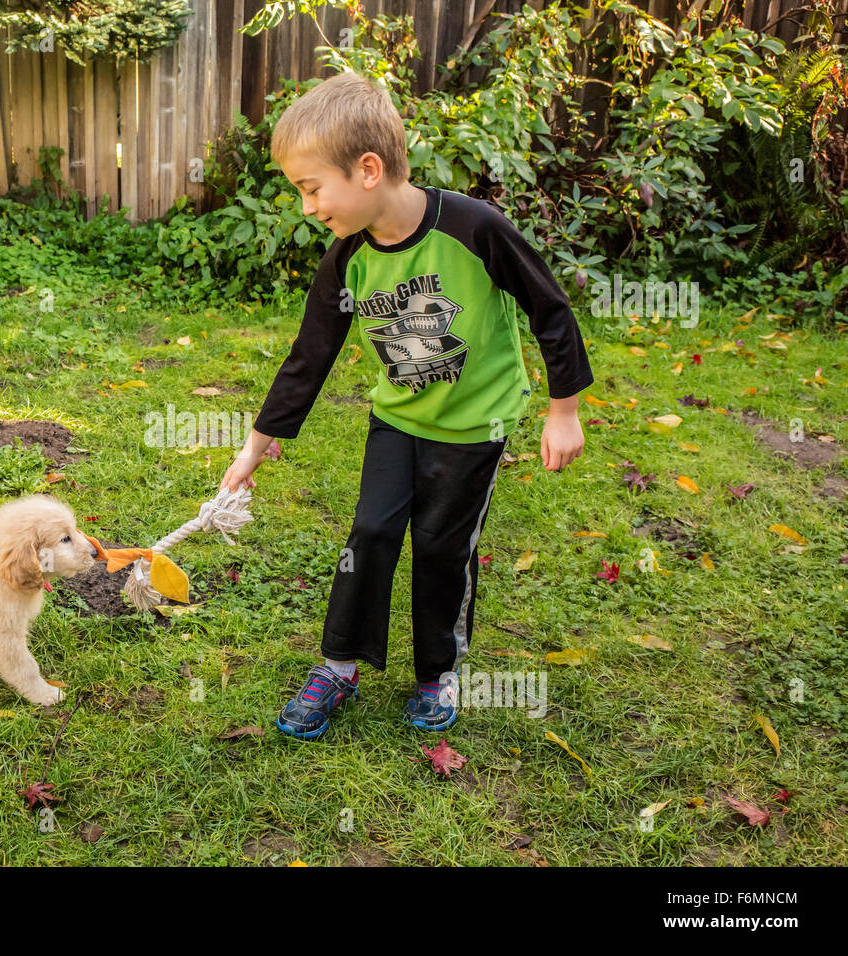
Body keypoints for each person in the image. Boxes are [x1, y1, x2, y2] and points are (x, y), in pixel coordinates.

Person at [219, 71, 594, 739]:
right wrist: (257, 444)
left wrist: (563, 410)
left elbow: (552, 309)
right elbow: (311, 354)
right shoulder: (347, 261)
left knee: (442, 546)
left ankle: (436, 670)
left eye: (311, 189)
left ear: (368, 170)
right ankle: (339, 664)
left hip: (476, 423)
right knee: (370, 534)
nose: (308, 207)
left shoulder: (477, 229)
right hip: (396, 417)